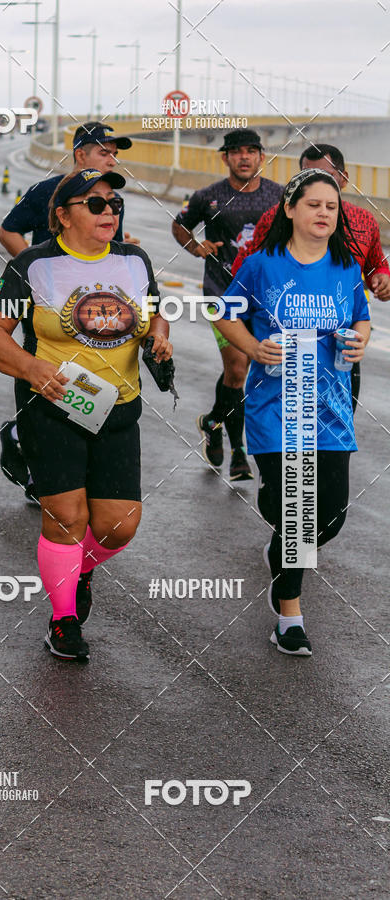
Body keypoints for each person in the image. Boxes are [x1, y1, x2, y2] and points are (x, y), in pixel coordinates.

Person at [0, 168, 171, 660]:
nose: (110, 212)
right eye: (95, 203)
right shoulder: (34, 264)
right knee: (66, 516)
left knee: (119, 525)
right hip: (53, 405)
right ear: (62, 216)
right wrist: (30, 367)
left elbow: (154, 313)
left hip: (117, 408)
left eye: (114, 204)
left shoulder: (134, 260)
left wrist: (158, 337)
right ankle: (63, 621)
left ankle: (78, 570)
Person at [216, 169, 370, 656]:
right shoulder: (262, 265)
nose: (324, 213)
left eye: (331, 206)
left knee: (329, 519)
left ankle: (281, 546)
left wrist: (359, 341)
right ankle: (289, 615)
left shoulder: (345, 266)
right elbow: (226, 313)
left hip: (330, 410)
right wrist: (253, 348)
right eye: (314, 204)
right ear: (289, 209)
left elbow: (361, 318)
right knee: (298, 515)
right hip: (276, 409)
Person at [0, 121, 138, 501]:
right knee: (47, 373)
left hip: (92, 304)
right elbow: (8, 231)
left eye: (114, 154)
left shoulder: (112, 198)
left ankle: (65, 465)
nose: (112, 160)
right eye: (104, 152)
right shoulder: (47, 191)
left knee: (89, 379)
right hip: (48, 307)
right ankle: (35, 458)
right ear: (80, 155)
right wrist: (40, 276)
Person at [232, 142, 390, 411]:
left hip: (339, 343)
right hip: (284, 343)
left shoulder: (364, 221)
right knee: (242, 377)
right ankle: (227, 426)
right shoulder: (275, 218)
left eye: (326, 176)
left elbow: (377, 265)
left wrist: (382, 278)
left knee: (338, 419)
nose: (317, 183)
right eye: (306, 176)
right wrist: (252, 343)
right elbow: (245, 272)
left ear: (344, 178)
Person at [172, 128, 283, 481]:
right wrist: (196, 247)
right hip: (222, 293)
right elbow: (180, 225)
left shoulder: (280, 196)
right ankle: (239, 454)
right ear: (225, 157)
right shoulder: (208, 197)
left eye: (251, 151)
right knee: (237, 369)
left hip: (265, 297)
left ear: (261, 157)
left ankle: (212, 421)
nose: (244, 157)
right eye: (237, 152)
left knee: (247, 369)